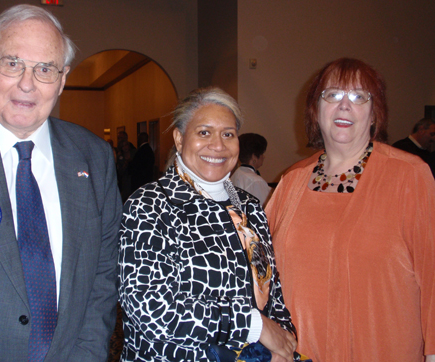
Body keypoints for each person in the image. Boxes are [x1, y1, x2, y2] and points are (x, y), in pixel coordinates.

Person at [0, 5, 122, 362]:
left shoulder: (94, 157)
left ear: (63, 79)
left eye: (45, 69)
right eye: (13, 63)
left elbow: (103, 274)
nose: (27, 82)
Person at [119, 87, 309, 362]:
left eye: (228, 134)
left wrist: (283, 344)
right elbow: (151, 310)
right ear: (180, 138)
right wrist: (253, 326)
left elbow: (274, 290)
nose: (218, 145)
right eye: (204, 132)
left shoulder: (250, 208)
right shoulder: (150, 205)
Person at [265, 58, 435, 362]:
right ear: (316, 109)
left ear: (374, 113)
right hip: (299, 353)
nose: (345, 106)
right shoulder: (292, 180)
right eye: (333, 95)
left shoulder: (408, 175)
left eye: (359, 96)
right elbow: (260, 273)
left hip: (382, 349)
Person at [231, 133, 272, 206]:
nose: (264, 157)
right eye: (262, 153)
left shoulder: (236, 174)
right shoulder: (256, 181)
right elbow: (267, 208)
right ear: (254, 158)